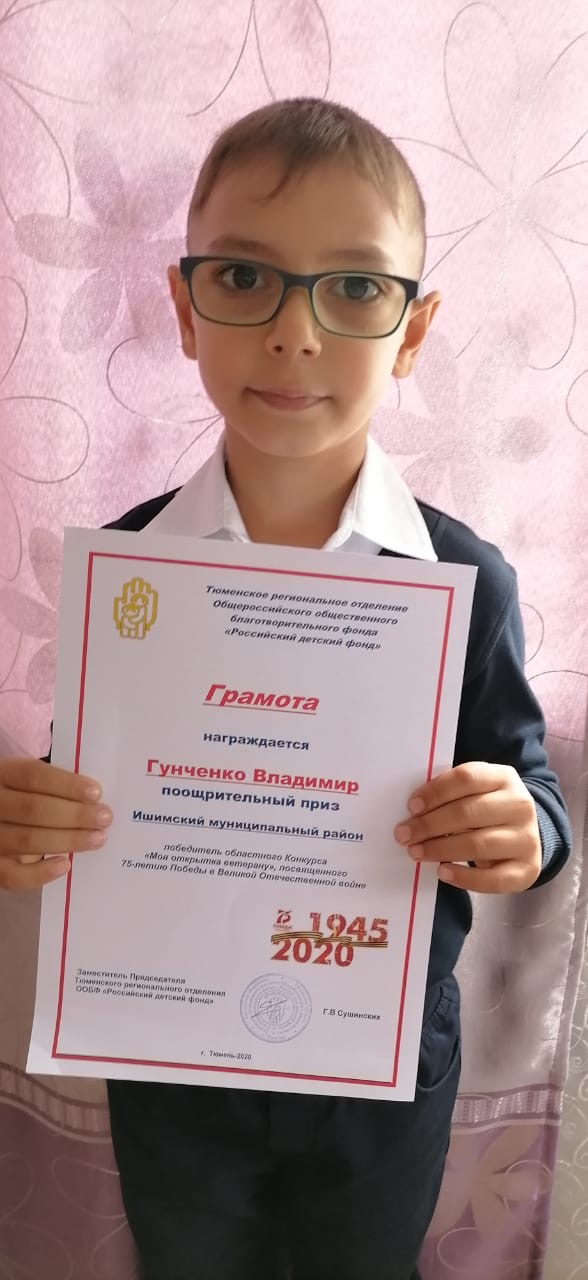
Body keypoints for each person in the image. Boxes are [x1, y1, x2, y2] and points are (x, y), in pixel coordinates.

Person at [0, 98, 572, 1280]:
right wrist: (29, 822)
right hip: (174, 1063)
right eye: (245, 277)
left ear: (412, 331)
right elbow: (90, 790)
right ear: (183, 308)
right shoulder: (129, 568)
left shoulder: (468, 581)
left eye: (355, 287)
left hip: (383, 1067)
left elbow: (535, 795)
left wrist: (523, 828)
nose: (294, 333)